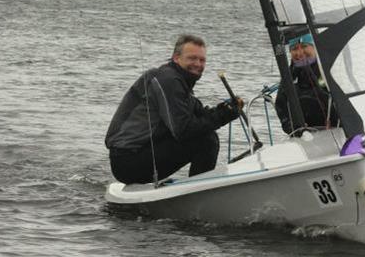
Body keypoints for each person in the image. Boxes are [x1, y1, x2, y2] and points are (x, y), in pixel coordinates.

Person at [105, 34, 241, 184]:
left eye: (202, 60)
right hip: (127, 162)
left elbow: (200, 114)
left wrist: (226, 109)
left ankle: (196, 188)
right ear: (176, 58)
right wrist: (222, 116)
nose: (198, 64)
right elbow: (183, 130)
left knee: (206, 135)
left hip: (139, 153)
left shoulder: (178, 80)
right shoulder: (168, 80)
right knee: (207, 140)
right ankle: (197, 193)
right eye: (192, 58)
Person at [274, 33, 337, 135]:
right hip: (303, 136)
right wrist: (293, 128)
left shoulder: (330, 71)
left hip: (333, 132)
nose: (299, 53)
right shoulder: (289, 76)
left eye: (304, 46)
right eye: (294, 48)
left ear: (314, 47)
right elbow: (281, 106)